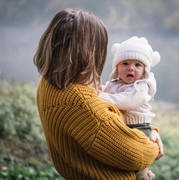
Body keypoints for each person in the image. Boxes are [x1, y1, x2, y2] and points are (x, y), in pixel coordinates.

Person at [33, 8, 163, 179]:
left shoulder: (47, 83)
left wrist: (148, 128)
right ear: (88, 52)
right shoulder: (80, 103)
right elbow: (136, 155)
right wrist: (154, 144)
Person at [99, 36, 161, 179]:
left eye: (137, 65)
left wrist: (99, 97)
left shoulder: (140, 88)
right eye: (125, 63)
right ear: (117, 67)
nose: (131, 68)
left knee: (137, 164)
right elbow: (108, 91)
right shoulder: (114, 83)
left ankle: (145, 175)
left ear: (145, 70)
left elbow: (126, 101)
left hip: (139, 127)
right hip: (125, 126)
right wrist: (99, 90)